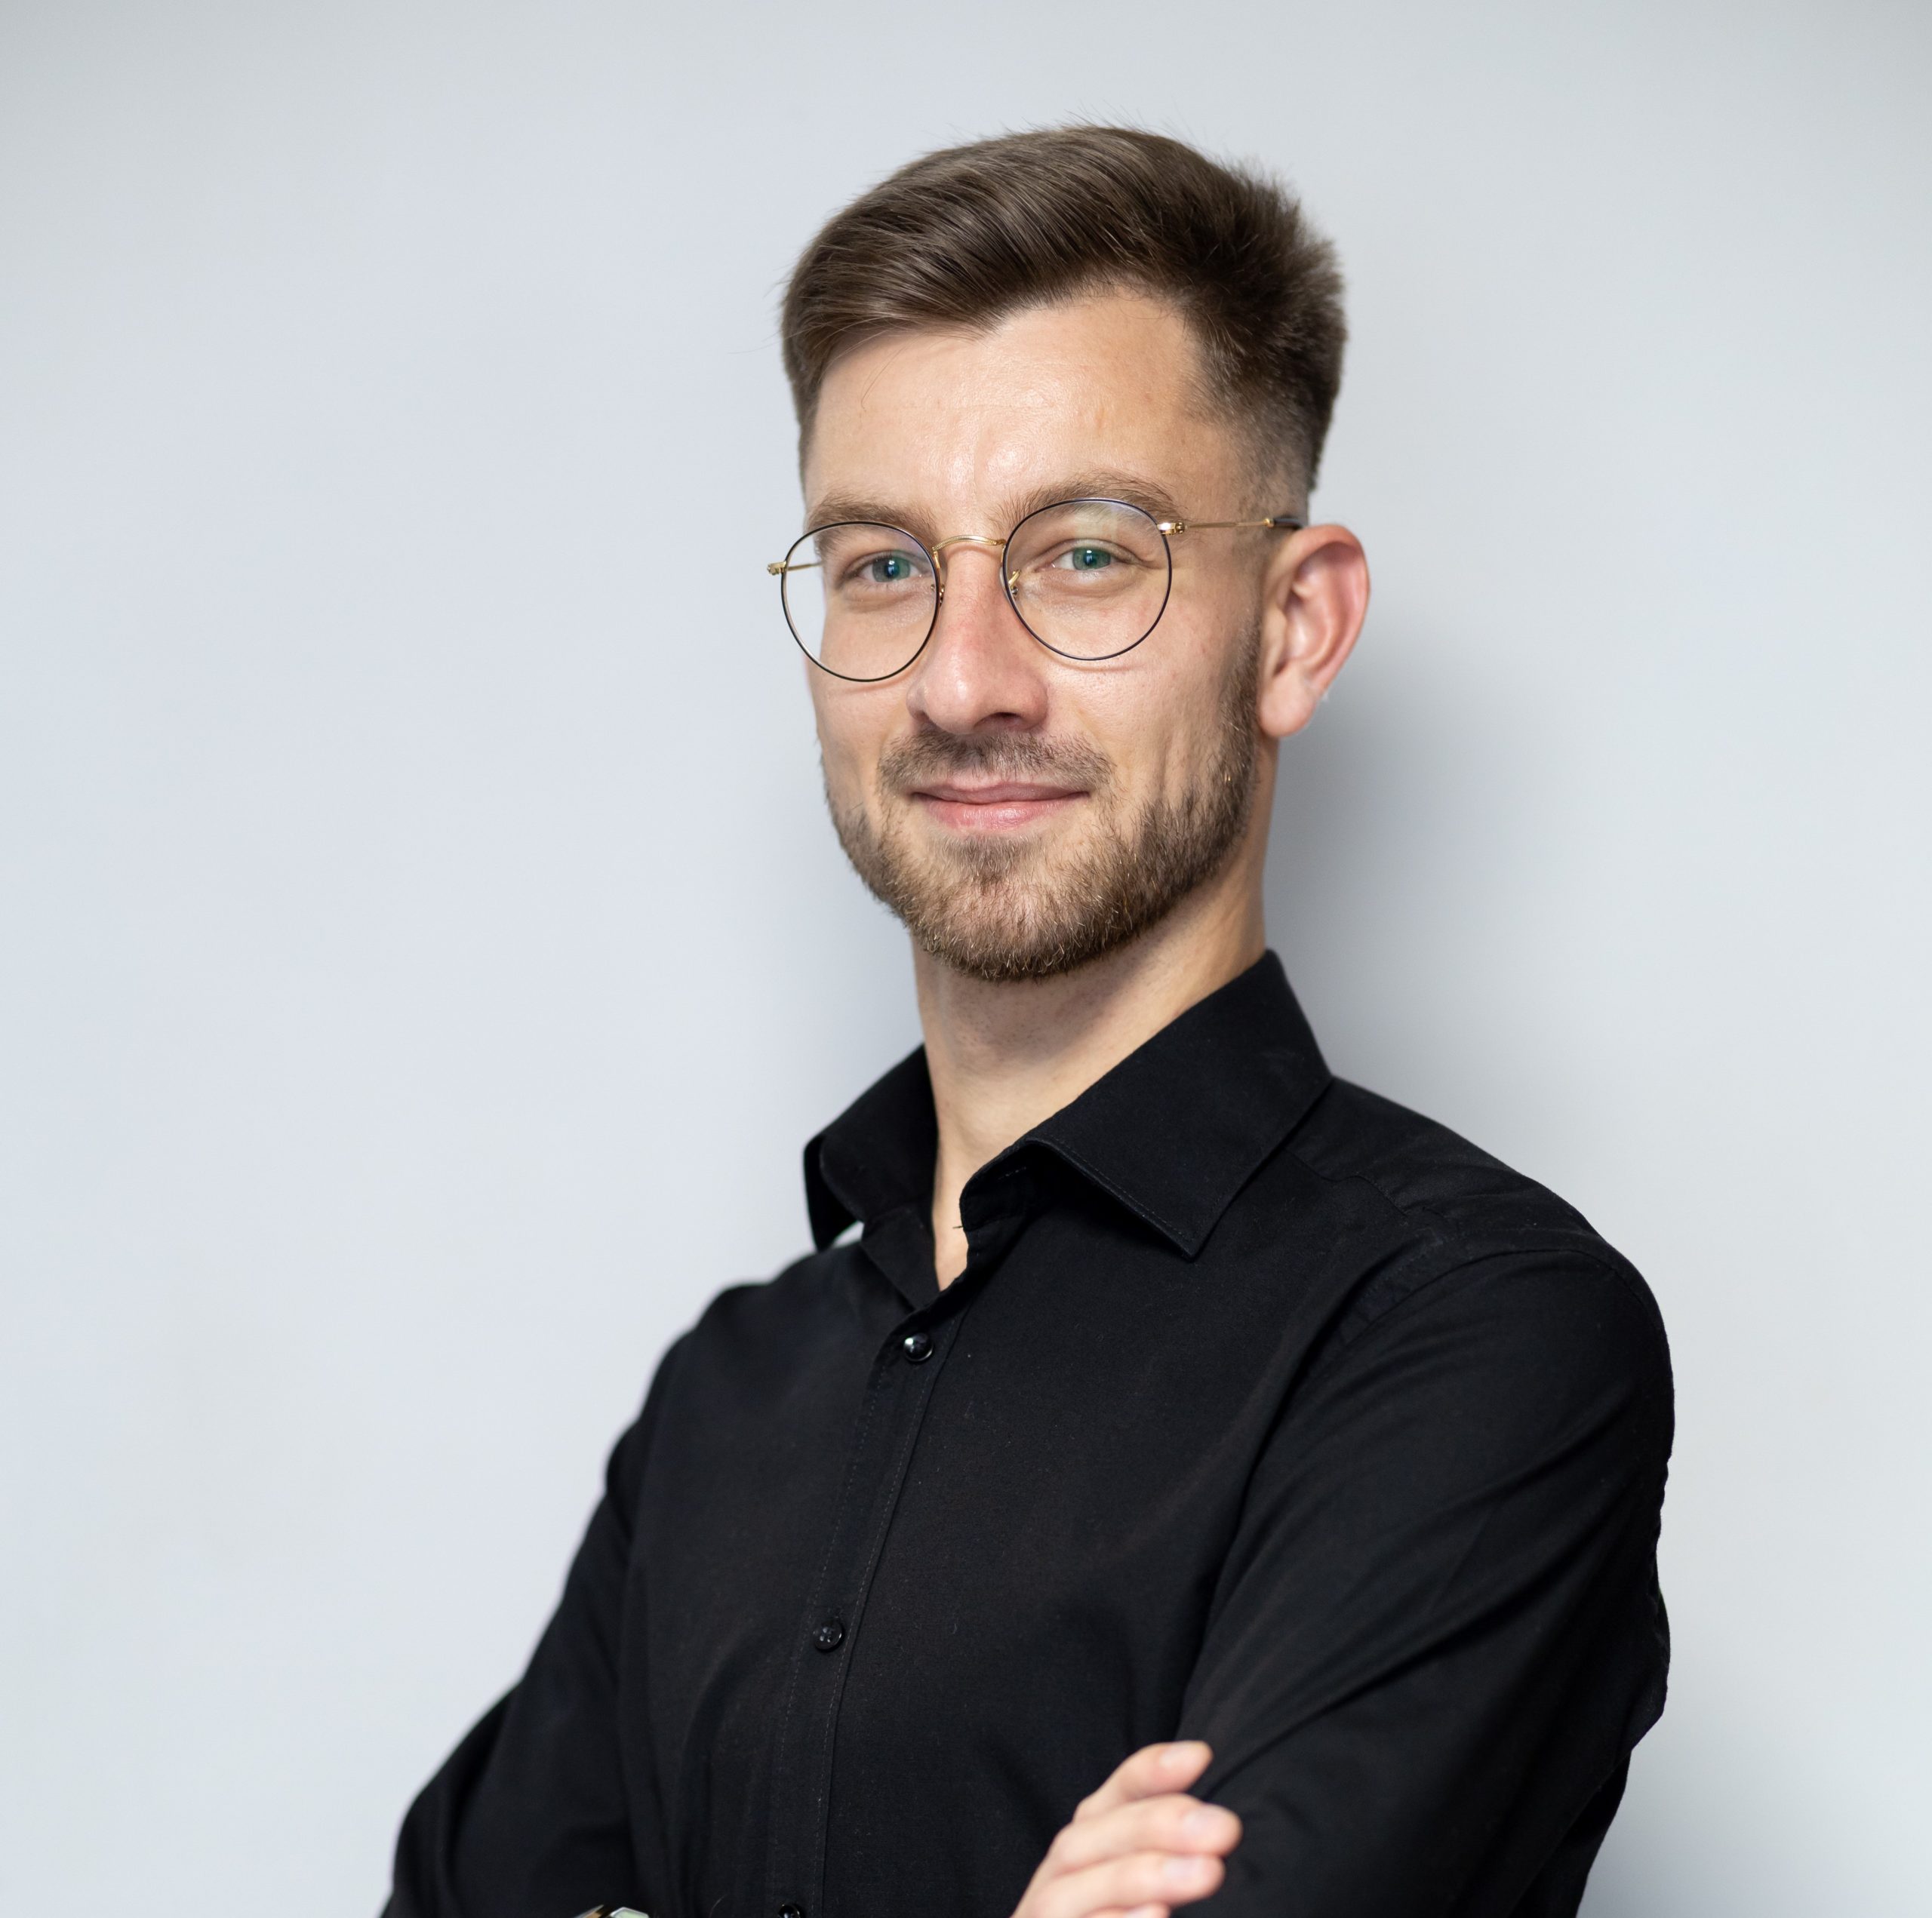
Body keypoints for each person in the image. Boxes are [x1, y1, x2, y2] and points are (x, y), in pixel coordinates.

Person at [383, 125, 1672, 1918]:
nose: (959, 679)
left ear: (1291, 630)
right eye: (881, 565)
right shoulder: (723, 1400)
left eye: (1081, 554)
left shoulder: (1470, 1330)